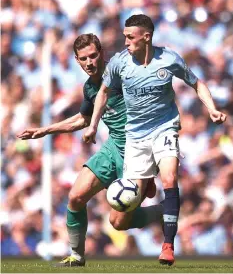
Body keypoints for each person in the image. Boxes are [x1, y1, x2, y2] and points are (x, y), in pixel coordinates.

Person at [83, 15, 227, 265]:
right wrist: (93, 125)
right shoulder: (119, 63)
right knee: (118, 221)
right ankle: (152, 195)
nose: (125, 41)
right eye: (124, 35)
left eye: (130, 36)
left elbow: (197, 82)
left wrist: (211, 108)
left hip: (165, 128)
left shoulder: (169, 59)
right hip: (136, 138)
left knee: (170, 177)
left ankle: (168, 245)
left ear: (146, 37)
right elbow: (103, 93)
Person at [17, 34, 163, 267]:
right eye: (84, 58)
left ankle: (163, 211)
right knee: (75, 197)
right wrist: (45, 130)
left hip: (139, 153)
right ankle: (77, 256)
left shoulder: (123, 73)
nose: (89, 62)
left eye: (93, 56)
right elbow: (83, 120)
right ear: (77, 60)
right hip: (114, 147)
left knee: (118, 223)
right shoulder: (90, 88)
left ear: (102, 53)